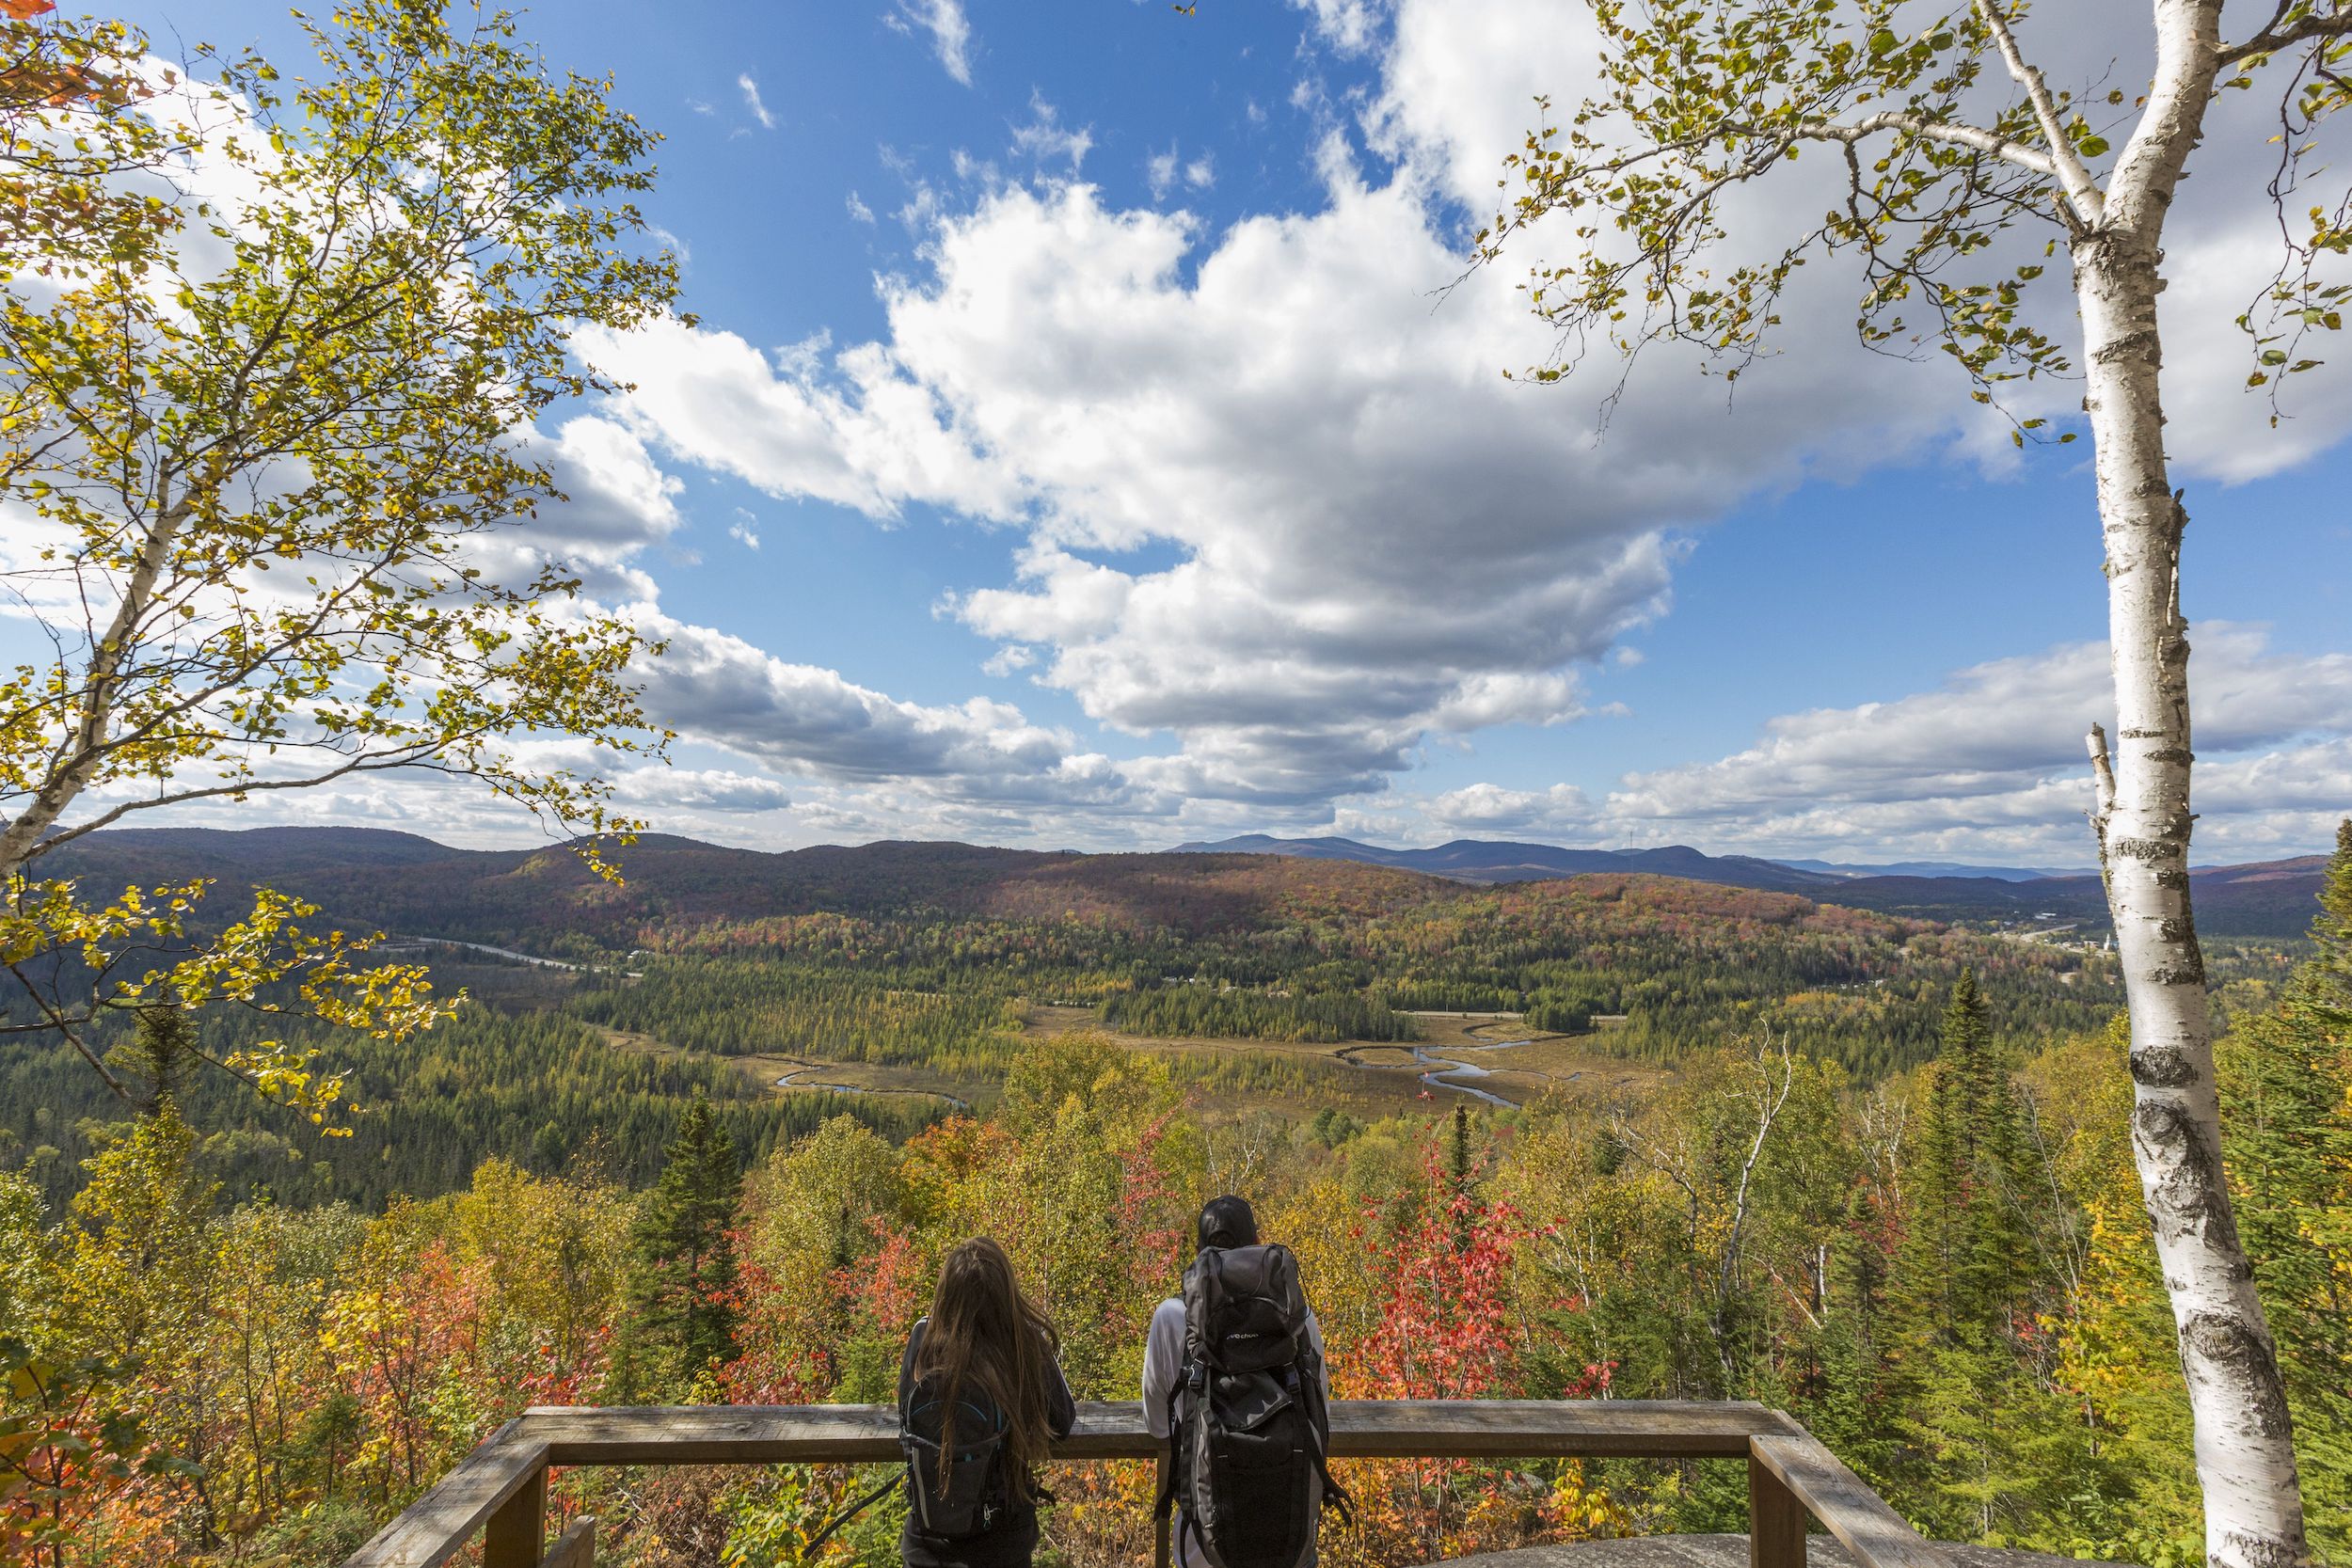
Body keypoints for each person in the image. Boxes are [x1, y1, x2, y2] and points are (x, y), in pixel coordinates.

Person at [1143, 1196, 1332, 1568]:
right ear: (1256, 1248)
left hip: (1203, 1549)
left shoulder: (1171, 1316)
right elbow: (1319, 1413)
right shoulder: (1297, 1318)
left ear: (1199, 1253)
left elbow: (1156, 1426)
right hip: (1288, 1542)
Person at [898, 1238, 1076, 1568]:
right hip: (1003, 1544)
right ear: (1006, 1291)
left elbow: (904, 1417)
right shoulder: (1023, 1342)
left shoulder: (923, 1337)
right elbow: (1062, 1421)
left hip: (926, 1547)